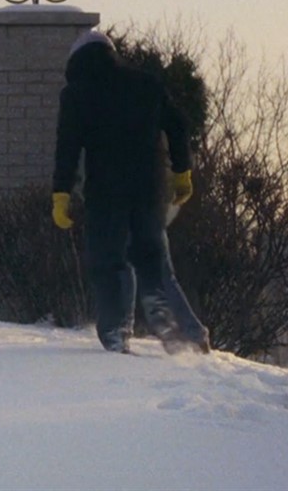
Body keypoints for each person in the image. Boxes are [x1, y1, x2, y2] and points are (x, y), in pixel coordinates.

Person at [51, 30, 209, 354]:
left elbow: (67, 146)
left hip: (106, 195)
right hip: (148, 190)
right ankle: (188, 334)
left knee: (110, 264)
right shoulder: (146, 84)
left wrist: (61, 193)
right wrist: (182, 172)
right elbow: (178, 126)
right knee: (154, 261)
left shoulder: (77, 93)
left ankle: (115, 332)